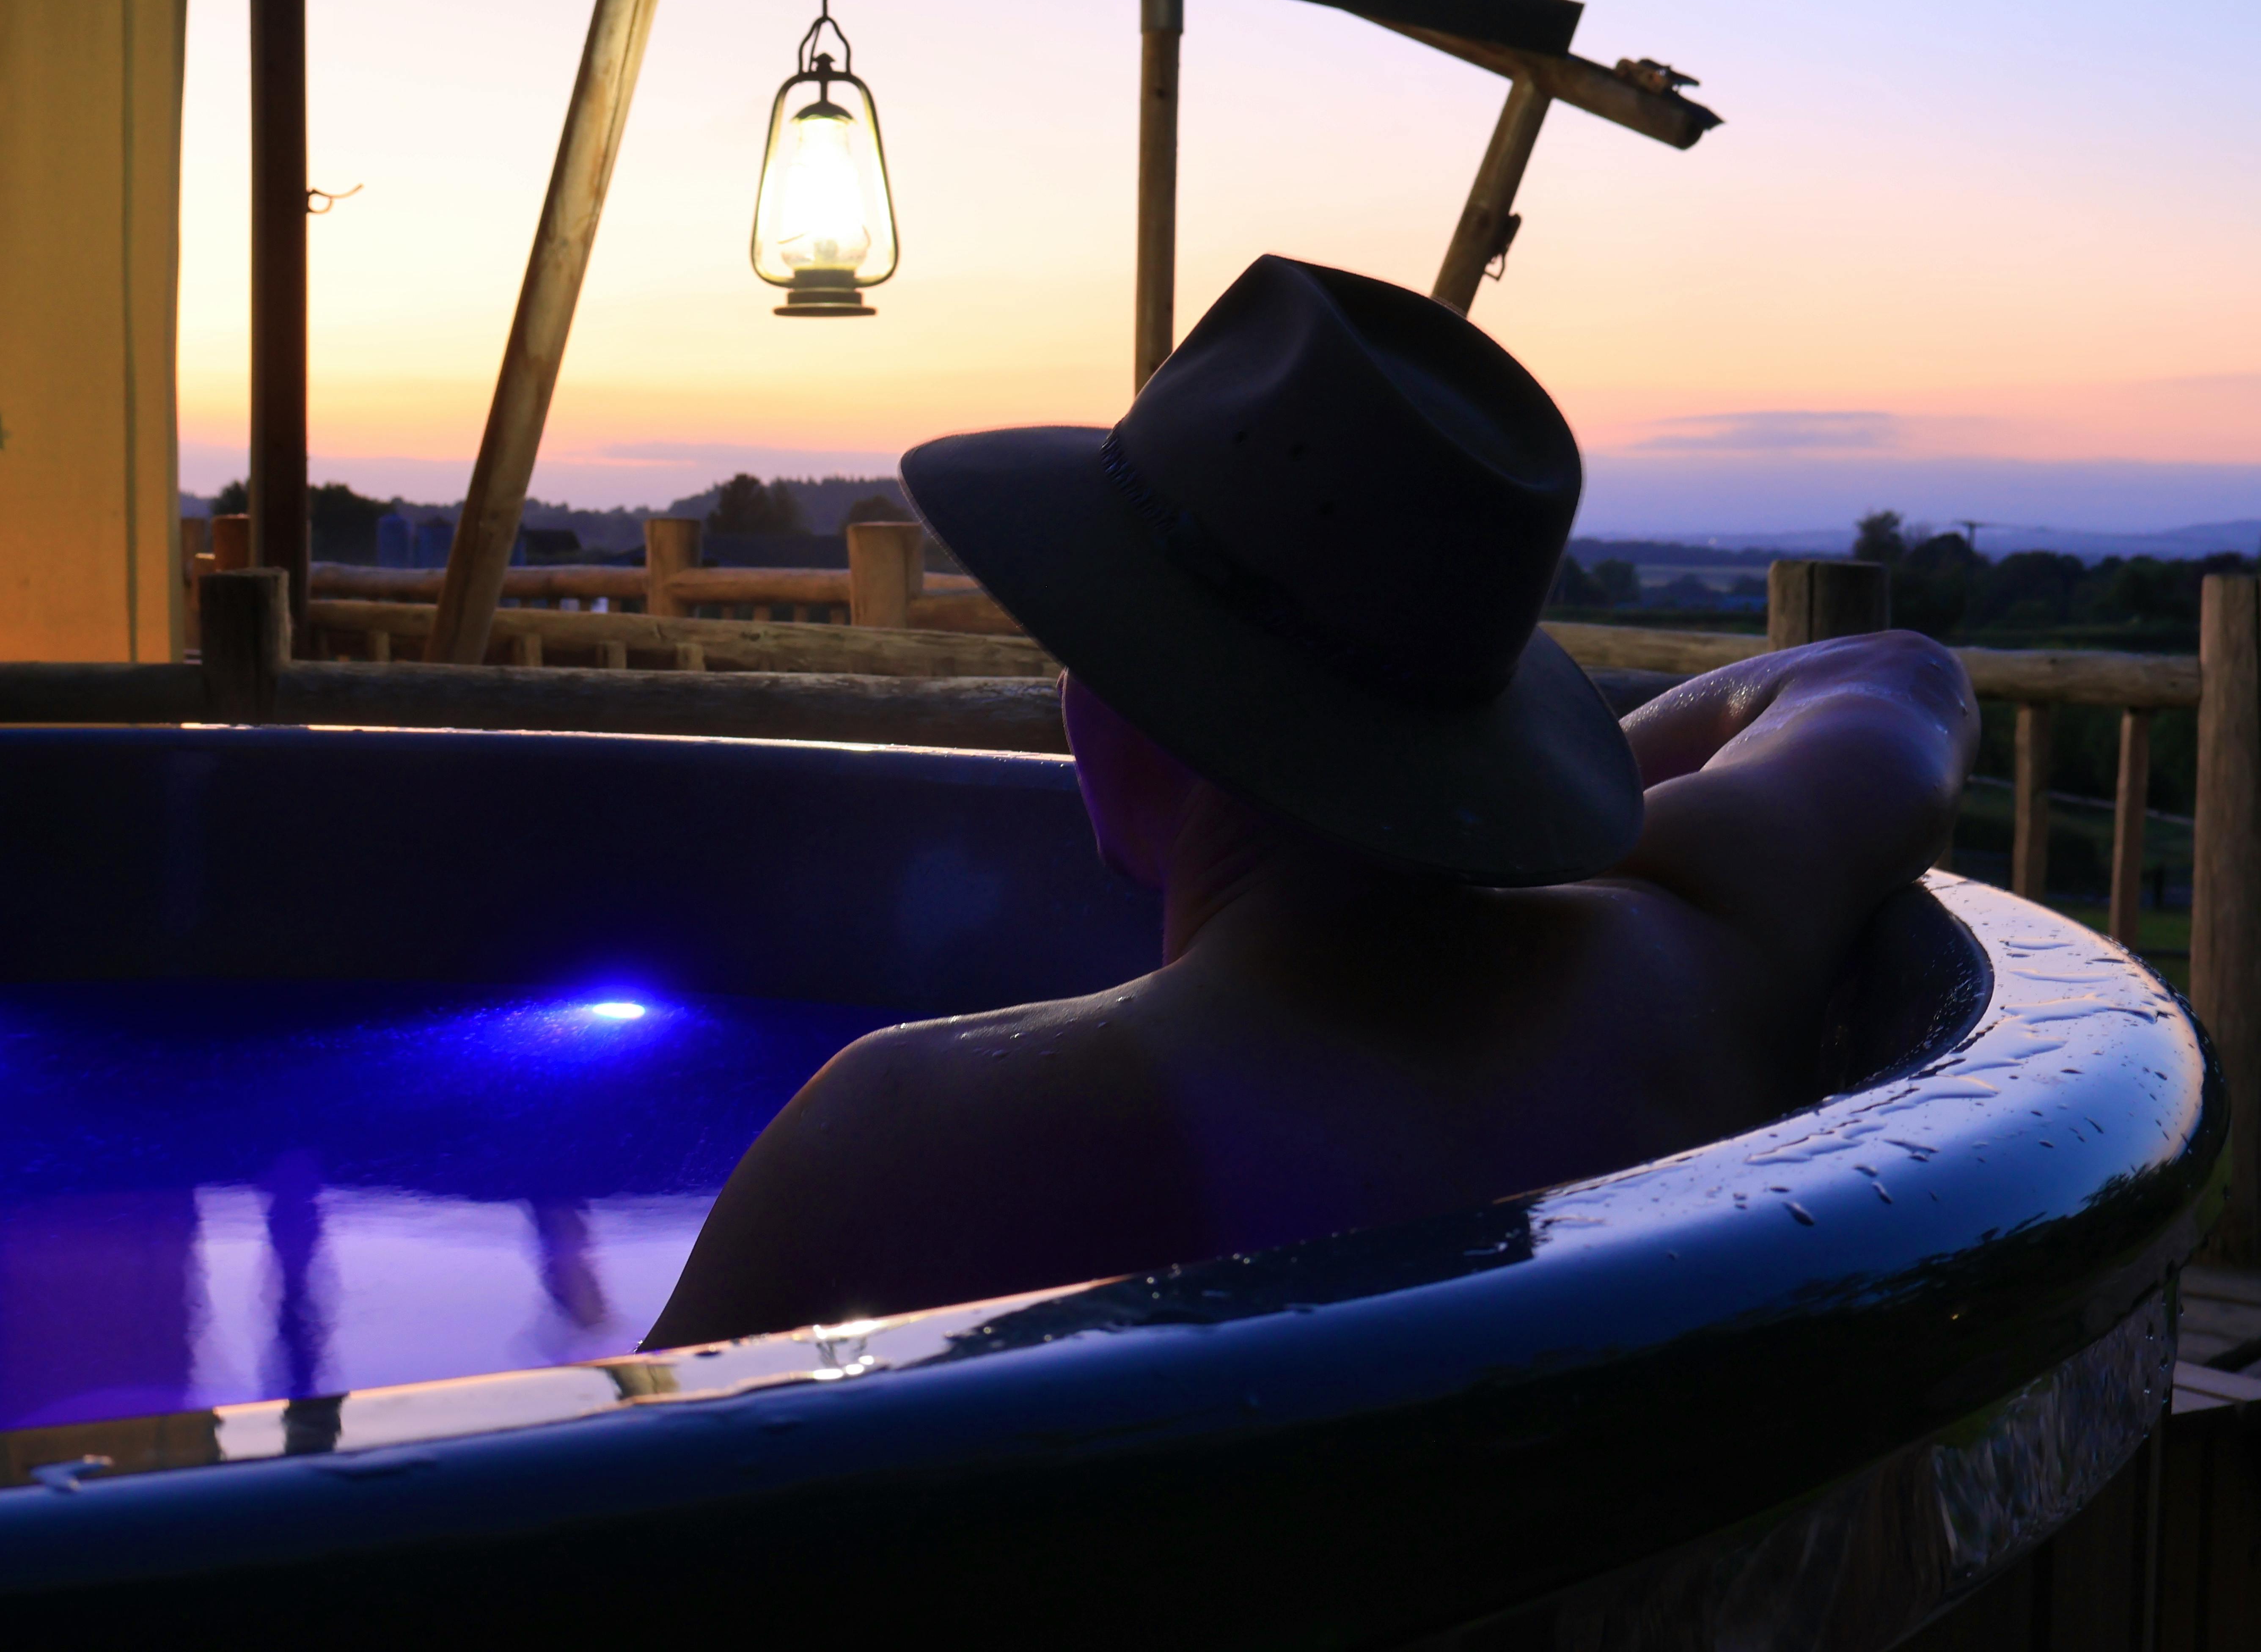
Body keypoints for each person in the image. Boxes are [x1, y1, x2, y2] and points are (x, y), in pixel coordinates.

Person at [643, 257, 1975, 1352]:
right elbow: (1891, 676)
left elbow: (576, 1510)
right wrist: (1475, 807)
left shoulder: (911, 1143)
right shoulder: (1700, 953)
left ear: (1123, 707)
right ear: (1483, 740)